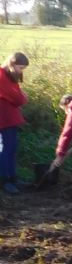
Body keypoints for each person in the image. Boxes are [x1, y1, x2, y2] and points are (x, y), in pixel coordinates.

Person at [0, 52, 29, 194]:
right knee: (6, 148)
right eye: (20, 68)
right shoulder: (2, 77)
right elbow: (17, 98)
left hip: (9, 117)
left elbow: (17, 95)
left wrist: (21, 96)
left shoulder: (9, 75)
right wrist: (23, 97)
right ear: (12, 64)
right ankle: (5, 181)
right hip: (3, 118)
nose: (21, 71)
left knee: (11, 148)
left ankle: (13, 178)